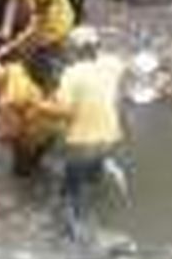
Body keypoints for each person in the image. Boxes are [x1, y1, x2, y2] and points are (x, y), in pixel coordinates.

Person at [41, 26, 127, 240]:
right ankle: (102, 176)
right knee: (93, 172)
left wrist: (38, 105)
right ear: (97, 46)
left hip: (81, 143)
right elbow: (122, 70)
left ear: (74, 50)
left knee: (70, 192)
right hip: (111, 136)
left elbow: (64, 111)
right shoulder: (112, 64)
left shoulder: (72, 75)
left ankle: (74, 232)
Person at [0, 0, 75, 91]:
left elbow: (36, 28)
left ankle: (49, 90)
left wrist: (10, 47)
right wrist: (5, 32)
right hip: (37, 19)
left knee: (42, 62)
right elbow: (12, 1)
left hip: (56, 26)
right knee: (22, 52)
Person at [0, 58, 62, 177]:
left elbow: (14, 132)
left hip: (33, 133)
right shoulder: (15, 70)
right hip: (51, 124)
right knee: (37, 155)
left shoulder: (8, 102)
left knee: (20, 171)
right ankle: (36, 164)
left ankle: (28, 179)